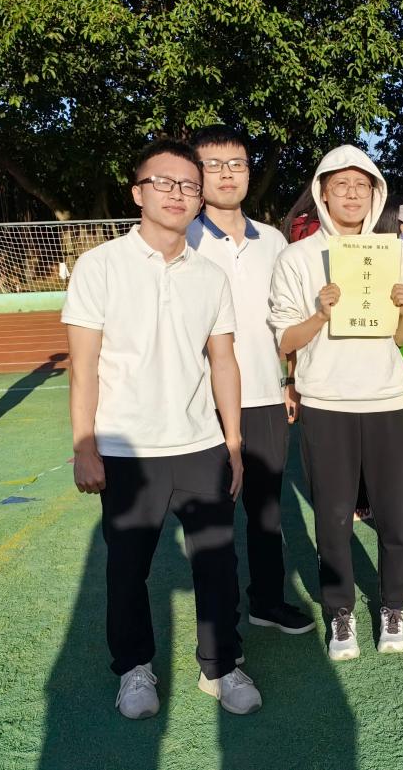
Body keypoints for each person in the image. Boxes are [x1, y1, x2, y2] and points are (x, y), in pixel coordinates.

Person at [63, 139, 262, 718]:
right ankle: (134, 669)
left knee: (218, 564)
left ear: (200, 199)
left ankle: (221, 666)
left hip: (201, 445)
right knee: (128, 569)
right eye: (164, 182)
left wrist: (233, 441)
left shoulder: (209, 276)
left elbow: (223, 361)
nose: (178, 194)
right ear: (138, 193)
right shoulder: (101, 266)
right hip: (126, 447)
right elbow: (83, 366)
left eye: (189, 186)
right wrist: (84, 446)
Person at [268, 145, 403, 660]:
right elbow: (285, 340)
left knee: (393, 516)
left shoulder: (392, 254)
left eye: (362, 185)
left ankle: (393, 607)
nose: (352, 195)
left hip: (387, 401)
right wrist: (320, 313)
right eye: (341, 186)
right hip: (326, 403)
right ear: (322, 193)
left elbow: (402, 337)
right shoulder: (297, 258)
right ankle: (341, 612)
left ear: (375, 194)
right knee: (332, 518)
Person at [186, 125, 314, 636]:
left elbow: (286, 317)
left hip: (264, 393)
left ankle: (267, 600)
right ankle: (220, 626)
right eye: (213, 165)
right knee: (212, 518)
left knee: (267, 511)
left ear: (248, 171)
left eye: (236, 163)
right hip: (201, 399)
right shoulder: (184, 238)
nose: (226, 174)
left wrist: (289, 379)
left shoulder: (274, 241)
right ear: (196, 174)